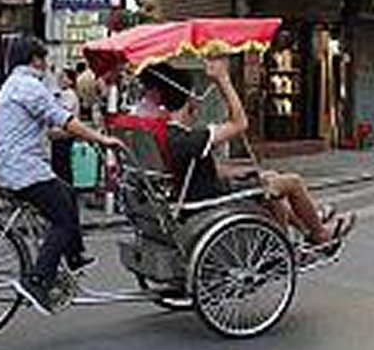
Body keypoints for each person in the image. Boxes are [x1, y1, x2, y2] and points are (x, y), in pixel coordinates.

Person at [145, 59, 354, 248]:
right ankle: (320, 233)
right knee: (292, 181)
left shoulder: (167, 134)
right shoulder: (188, 137)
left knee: (269, 177)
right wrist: (223, 79)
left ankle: (306, 226)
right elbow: (240, 123)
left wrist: (247, 171)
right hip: (211, 200)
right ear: (189, 101)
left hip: (203, 191)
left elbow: (209, 169)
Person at [0, 37, 124, 315]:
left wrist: (84, 135)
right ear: (35, 59)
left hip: (13, 165)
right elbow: (61, 118)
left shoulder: (11, 85)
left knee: (66, 192)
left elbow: (49, 128)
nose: (47, 65)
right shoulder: (29, 86)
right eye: (44, 59)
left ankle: (74, 255)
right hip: (23, 170)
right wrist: (101, 139)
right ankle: (38, 281)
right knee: (62, 219)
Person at [48, 68, 82, 186]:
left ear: (71, 81)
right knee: (62, 164)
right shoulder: (64, 94)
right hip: (62, 135)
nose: (60, 79)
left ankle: (65, 190)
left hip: (63, 134)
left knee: (61, 166)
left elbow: (61, 114)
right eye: (60, 77)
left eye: (64, 77)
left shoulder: (69, 95)